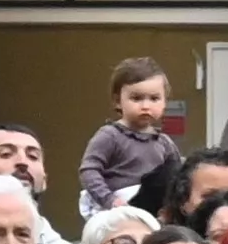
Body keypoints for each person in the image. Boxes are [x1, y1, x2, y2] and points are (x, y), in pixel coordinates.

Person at [77, 53, 182, 220]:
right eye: (136, 98)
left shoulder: (164, 143)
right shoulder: (110, 135)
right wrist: (109, 200)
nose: (145, 106)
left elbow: (179, 177)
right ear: (118, 101)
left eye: (154, 98)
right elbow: (89, 170)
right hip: (116, 212)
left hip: (154, 216)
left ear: (164, 103)